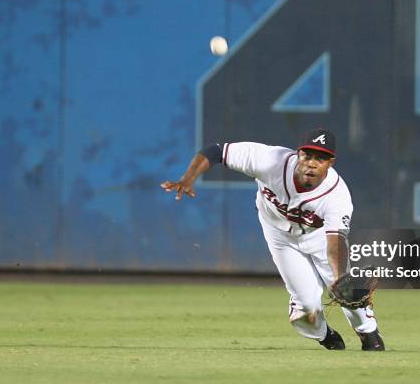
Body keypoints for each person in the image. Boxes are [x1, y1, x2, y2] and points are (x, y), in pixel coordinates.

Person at [161, 128, 385, 351]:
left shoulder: (337, 196)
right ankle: (325, 336)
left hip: (319, 239)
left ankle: (369, 333)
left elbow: (335, 239)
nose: (312, 163)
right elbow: (215, 151)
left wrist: (339, 277)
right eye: (308, 155)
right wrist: (188, 178)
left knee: (347, 288)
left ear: (331, 162)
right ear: (298, 154)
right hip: (280, 237)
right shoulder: (270, 161)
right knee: (305, 311)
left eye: (321, 158)